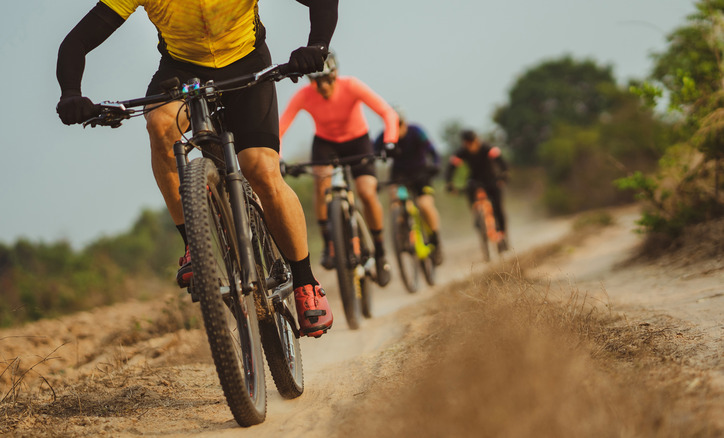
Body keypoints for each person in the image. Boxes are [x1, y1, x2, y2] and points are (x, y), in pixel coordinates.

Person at [55, 0, 338, 338]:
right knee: (160, 126)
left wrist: (317, 44)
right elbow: (76, 43)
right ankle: (194, 245)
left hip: (246, 62)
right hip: (181, 70)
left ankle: (305, 282)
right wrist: (71, 93)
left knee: (260, 169)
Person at [279, 53, 398, 287]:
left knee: (366, 192)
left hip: (357, 141)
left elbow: (388, 113)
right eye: (316, 81)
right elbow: (280, 128)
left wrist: (390, 140)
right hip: (326, 143)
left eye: (327, 80)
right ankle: (328, 244)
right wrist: (279, 158)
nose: (322, 86)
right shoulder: (303, 96)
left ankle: (381, 250)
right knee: (321, 183)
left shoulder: (351, 85)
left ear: (335, 75)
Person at [374, 111, 443, 265]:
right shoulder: (384, 136)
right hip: (399, 176)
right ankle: (402, 232)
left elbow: (432, 150)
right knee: (395, 202)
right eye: (392, 125)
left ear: (404, 122)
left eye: (399, 124)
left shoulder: (416, 131)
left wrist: (436, 164)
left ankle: (435, 240)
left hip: (420, 174)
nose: (396, 128)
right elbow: (372, 154)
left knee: (425, 205)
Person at [444, 129, 509, 246]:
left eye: (472, 142)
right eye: (468, 143)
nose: (471, 145)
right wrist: (449, 183)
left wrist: (504, 174)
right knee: (469, 189)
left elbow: (500, 160)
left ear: (477, 140)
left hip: (491, 178)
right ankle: (477, 215)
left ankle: (503, 235)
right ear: (464, 143)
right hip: (474, 180)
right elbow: (451, 167)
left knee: (498, 208)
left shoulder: (487, 148)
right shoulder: (461, 152)